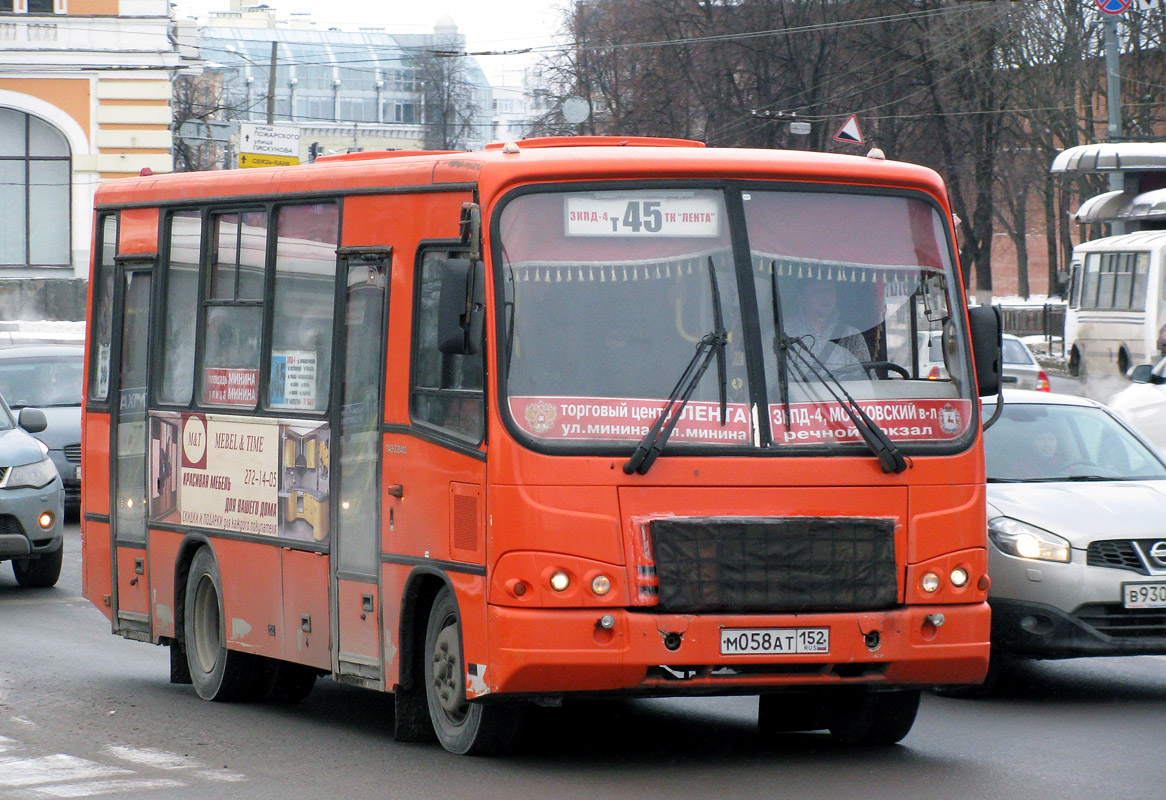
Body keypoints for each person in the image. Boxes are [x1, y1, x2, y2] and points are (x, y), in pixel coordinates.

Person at [783, 279, 871, 372]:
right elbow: (771, 378)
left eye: (830, 291)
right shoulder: (783, 332)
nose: (825, 296)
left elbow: (867, 377)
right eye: (817, 291)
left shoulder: (851, 335)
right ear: (801, 298)